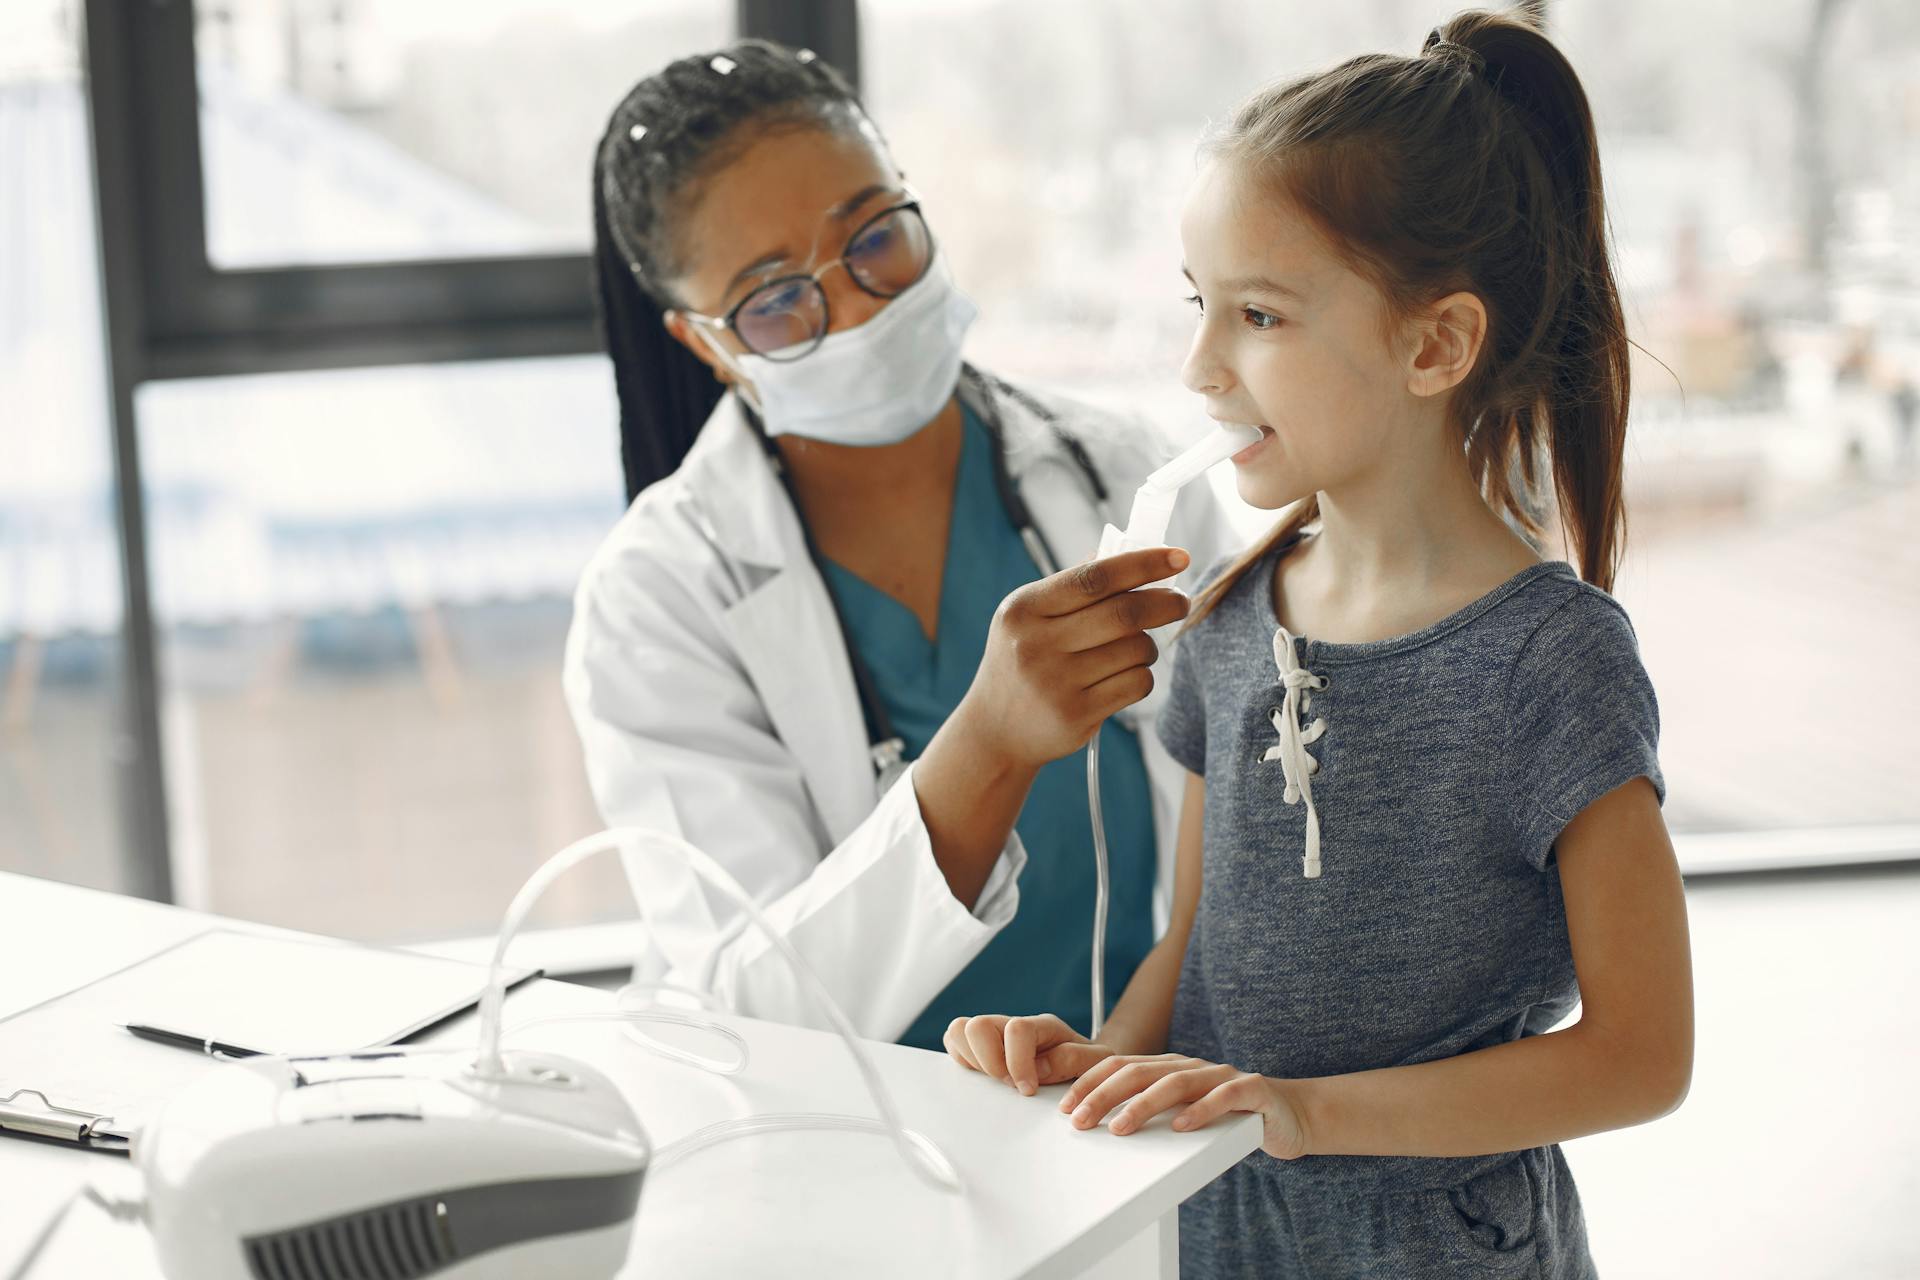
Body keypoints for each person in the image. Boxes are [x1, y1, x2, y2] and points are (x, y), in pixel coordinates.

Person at [942, 12, 1694, 1276]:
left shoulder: (1551, 664)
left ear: (1435, 344)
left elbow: (1641, 1055)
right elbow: (1197, 956)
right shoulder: (1229, 615)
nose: (1197, 366)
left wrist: (1302, 1110)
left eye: (1261, 316)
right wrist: (1099, 1067)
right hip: (1222, 1234)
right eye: (1200, 306)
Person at [565, 40, 1236, 1050]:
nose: (857, 307)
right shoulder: (659, 595)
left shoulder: (1118, 471)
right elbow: (759, 1008)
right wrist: (987, 748)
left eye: (874, 237)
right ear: (705, 343)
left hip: (1119, 1121)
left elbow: (1248, 844)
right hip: (851, 1158)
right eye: (775, 299)